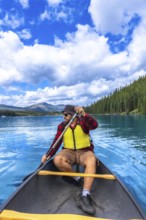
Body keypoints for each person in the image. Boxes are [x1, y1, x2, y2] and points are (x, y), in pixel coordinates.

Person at [41, 105, 98, 215]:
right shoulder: (62, 126)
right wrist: (47, 155)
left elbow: (95, 125)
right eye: (63, 114)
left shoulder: (83, 122)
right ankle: (77, 178)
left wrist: (84, 114)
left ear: (73, 115)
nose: (64, 117)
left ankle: (85, 194)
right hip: (68, 152)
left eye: (66, 114)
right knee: (57, 159)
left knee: (92, 160)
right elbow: (56, 143)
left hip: (84, 152)